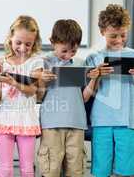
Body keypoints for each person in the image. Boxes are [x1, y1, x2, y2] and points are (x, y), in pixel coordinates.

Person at [36, 19, 98, 177]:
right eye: (64, 51)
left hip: (76, 124)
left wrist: (93, 79)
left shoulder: (80, 63)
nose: (68, 55)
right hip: (52, 124)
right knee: (51, 169)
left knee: (75, 169)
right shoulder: (43, 63)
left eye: (73, 51)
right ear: (52, 42)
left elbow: (84, 98)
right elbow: (38, 96)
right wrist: (42, 80)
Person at [83, 4, 134, 177]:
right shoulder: (93, 57)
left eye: (123, 35)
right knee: (101, 170)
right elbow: (87, 94)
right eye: (113, 36)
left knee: (125, 170)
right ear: (102, 31)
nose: (119, 40)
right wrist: (96, 76)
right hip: (101, 119)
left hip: (128, 121)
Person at [0, 15, 43, 177]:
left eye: (28, 44)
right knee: (5, 168)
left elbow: (32, 91)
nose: (22, 47)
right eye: (18, 43)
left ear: (34, 42)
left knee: (27, 168)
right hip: (5, 116)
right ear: (10, 39)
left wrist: (13, 82)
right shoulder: (1, 61)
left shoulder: (36, 62)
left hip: (26, 116)